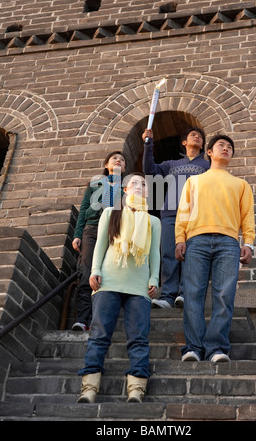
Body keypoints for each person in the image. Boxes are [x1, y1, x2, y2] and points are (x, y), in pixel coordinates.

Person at [77, 173, 161, 403]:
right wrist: (95, 270)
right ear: (124, 190)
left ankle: (136, 389)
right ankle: (89, 389)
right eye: (133, 183)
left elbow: (154, 254)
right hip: (109, 281)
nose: (138, 186)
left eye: (143, 184)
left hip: (139, 286)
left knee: (138, 338)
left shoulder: (154, 221)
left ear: (147, 192)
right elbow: (101, 245)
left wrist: (154, 278)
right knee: (99, 335)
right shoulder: (110, 213)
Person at [175, 134, 255, 363]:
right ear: (208, 152)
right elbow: (184, 212)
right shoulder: (194, 181)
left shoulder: (241, 184)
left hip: (229, 242)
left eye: (230, 147)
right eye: (221, 145)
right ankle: (193, 347)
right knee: (193, 294)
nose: (226, 149)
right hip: (196, 240)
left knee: (224, 295)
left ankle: (216, 348)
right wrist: (180, 238)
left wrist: (247, 242)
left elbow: (247, 217)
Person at [142, 126, 209, 308]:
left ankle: (185, 293)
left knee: (191, 255)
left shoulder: (208, 166)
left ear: (203, 144)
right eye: (192, 135)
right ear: (184, 142)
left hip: (196, 215)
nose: (196, 137)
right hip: (171, 213)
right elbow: (149, 171)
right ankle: (168, 296)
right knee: (169, 254)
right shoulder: (171, 164)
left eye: (200, 136)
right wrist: (148, 145)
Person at [71, 151, 126, 331]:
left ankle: (100, 319)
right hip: (92, 229)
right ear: (106, 165)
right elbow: (84, 208)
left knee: (108, 273)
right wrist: (78, 234)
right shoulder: (95, 185)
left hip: (115, 231)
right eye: (114, 159)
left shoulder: (127, 186)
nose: (118, 160)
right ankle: (82, 319)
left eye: (122, 160)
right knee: (87, 272)